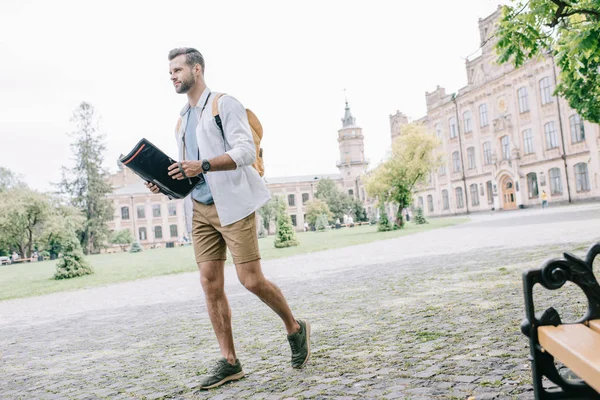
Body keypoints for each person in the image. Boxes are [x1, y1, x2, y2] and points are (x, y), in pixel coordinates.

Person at [146, 48, 310, 389]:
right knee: (210, 283)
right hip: (200, 209)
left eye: (177, 69)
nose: (172, 76)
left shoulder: (224, 104)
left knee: (251, 280)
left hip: (232, 205)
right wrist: (163, 182)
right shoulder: (181, 120)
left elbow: (246, 151)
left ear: (197, 69)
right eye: (170, 72)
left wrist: (203, 164)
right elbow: (187, 171)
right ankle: (230, 361)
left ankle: (295, 328)